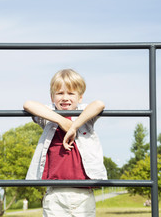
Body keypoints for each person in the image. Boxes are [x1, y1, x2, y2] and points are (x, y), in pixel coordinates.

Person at [24, 69, 107, 217]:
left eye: (71, 93)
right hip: (55, 193)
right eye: (60, 93)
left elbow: (99, 104)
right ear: (52, 97)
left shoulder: (85, 115)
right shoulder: (49, 116)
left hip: (83, 193)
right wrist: (61, 121)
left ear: (80, 97)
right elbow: (28, 104)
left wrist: (74, 126)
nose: (65, 98)